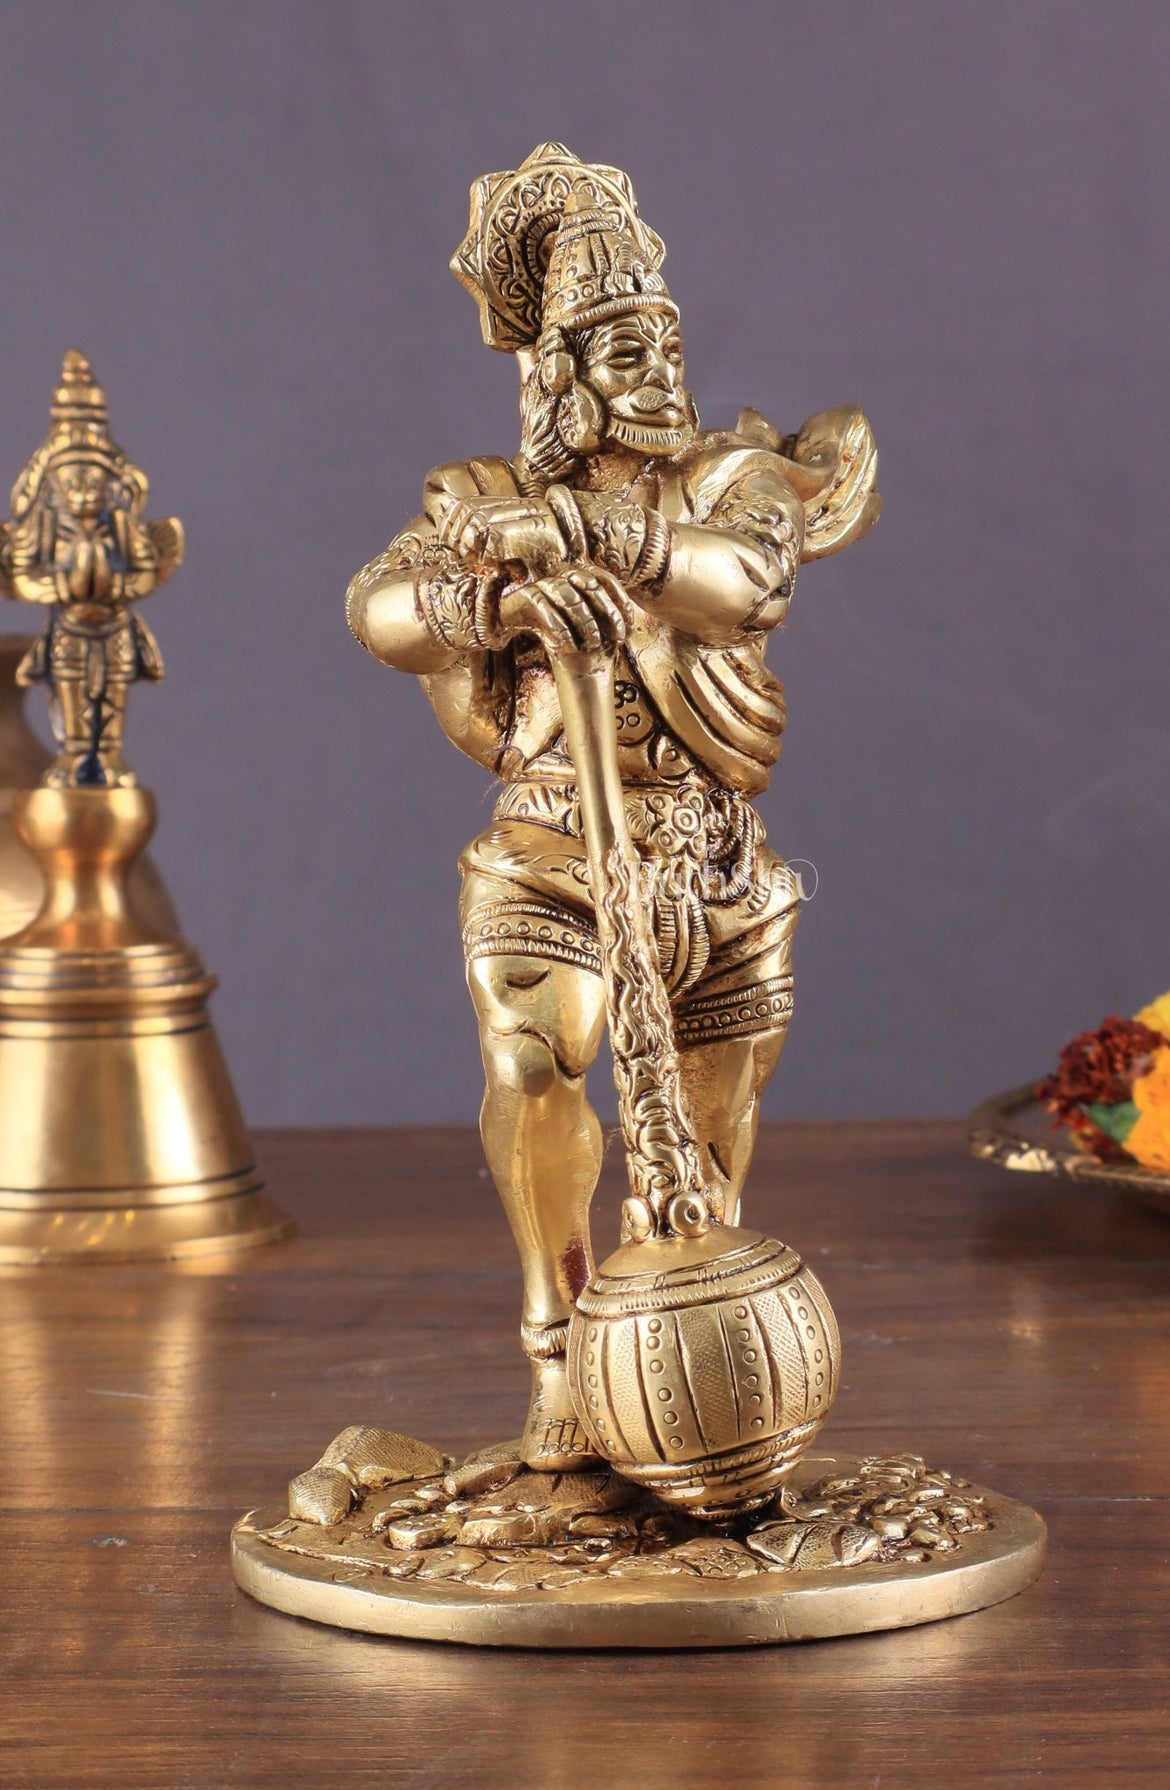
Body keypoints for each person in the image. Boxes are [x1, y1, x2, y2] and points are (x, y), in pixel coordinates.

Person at [347, 145, 879, 1470]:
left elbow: (745, 585)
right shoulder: (483, 502)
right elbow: (381, 609)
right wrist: (497, 596)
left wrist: (592, 542)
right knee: (536, 1059)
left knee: (705, 1130)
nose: (662, 374)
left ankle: (691, 1362)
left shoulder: (725, 485)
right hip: (552, 846)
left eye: (669, 346)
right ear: (563, 376)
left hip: (712, 862)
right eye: (627, 353)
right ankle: (559, 1354)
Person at [0, 351, 182, 788]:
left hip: (113, 627)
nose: (84, 491)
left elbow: (146, 569)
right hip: (70, 629)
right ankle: (77, 751)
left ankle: (108, 753)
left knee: (112, 690)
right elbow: (23, 578)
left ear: (112, 487)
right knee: (71, 689)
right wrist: (60, 586)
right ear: (52, 491)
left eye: (94, 482)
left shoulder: (121, 530)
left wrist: (121, 583)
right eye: (72, 482)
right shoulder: (46, 535)